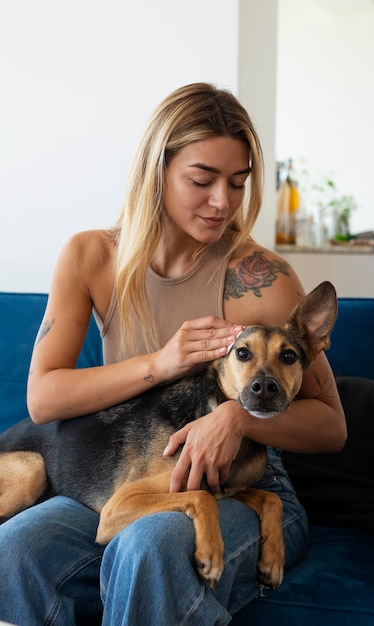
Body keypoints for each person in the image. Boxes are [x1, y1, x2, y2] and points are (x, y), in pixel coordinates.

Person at [0, 82, 346, 625]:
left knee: (151, 544)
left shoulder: (262, 279)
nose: (223, 202)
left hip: (248, 486)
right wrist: (160, 363)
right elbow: (43, 399)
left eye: (238, 183)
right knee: (15, 544)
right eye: (202, 180)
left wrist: (237, 417)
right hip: (137, 478)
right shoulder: (89, 256)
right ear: (155, 171)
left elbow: (331, 425)